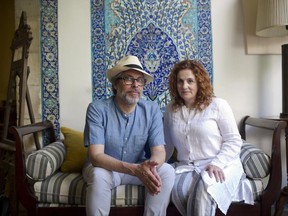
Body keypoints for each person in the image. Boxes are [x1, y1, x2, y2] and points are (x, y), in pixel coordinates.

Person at [83, 55, 175, 216]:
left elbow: (159, 151)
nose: (135, 85)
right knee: (98, 175)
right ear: (115, 84)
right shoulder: (97, 109)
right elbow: (96, 156)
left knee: (167, 170)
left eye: (140, 80)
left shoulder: (151, 109)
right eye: (128, 79)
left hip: (138, 167)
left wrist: (150, 167)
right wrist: (135, 169)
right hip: (107, 169)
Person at [163, 60, 253, 216]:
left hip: (221, 163)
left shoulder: (218, 105)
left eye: (190, 81)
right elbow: (167, 146)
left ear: (199, 82)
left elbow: (233, 140)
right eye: (180, 81)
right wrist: (154, 163)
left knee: (204, 187)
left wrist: (217, 163)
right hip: (187, 166)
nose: (184, 86)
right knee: (178, 190)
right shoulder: (171, 109)